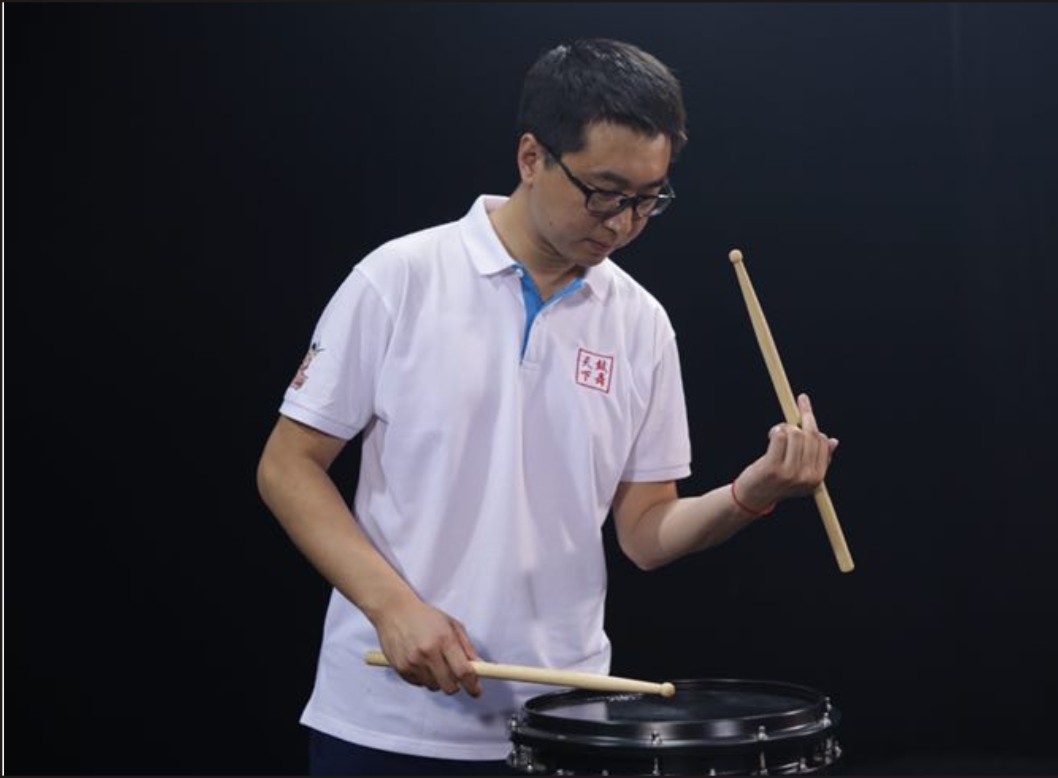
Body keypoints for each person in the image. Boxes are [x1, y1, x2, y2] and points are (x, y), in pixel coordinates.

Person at [256, 38, 838, 776]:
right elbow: (288, 467)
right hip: (388, 722)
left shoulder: (642, 323)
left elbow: (646, 533)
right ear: (532, 157)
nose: (622, 222)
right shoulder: (399, 279)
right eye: (604, 192)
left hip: (565, 724)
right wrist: (392, 607)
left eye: (648, 199)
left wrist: (751, 493)